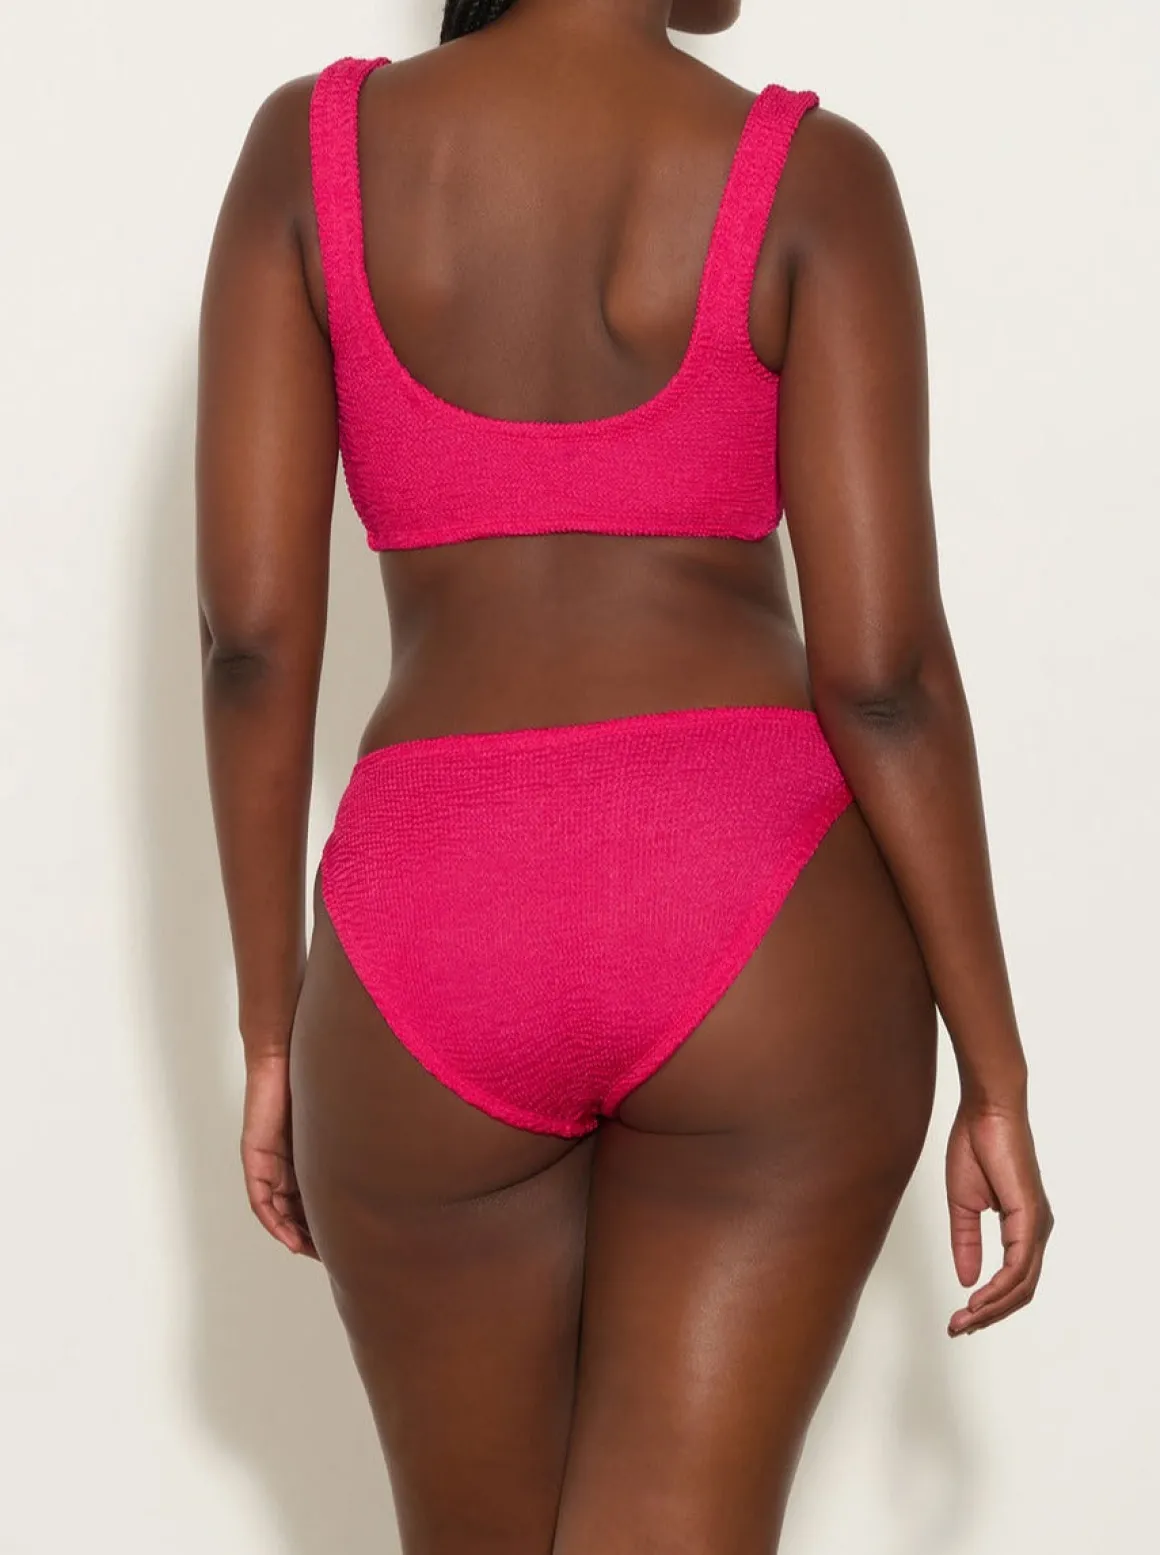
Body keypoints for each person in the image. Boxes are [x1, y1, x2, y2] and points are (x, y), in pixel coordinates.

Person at [196, 0, 1053, 1548]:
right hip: (757, 913)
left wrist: (273, 1030)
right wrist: (995, 1070)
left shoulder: (307, 159)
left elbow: (250, 646)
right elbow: (885, 677)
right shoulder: (809, 177)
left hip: (427, 926)